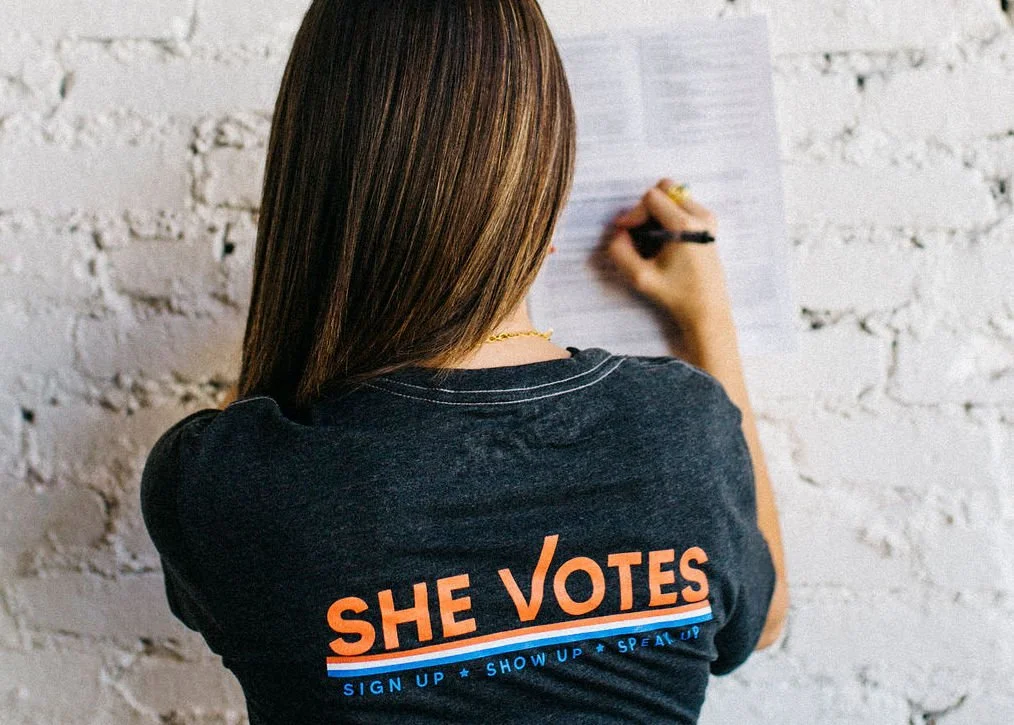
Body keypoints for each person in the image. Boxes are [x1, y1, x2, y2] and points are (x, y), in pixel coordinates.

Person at [140, 1, 788, 722]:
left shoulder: (224, 480)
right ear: (545, 194)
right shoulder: (683, 429)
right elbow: (759, 623)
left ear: (307, 197)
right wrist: (706, 315)